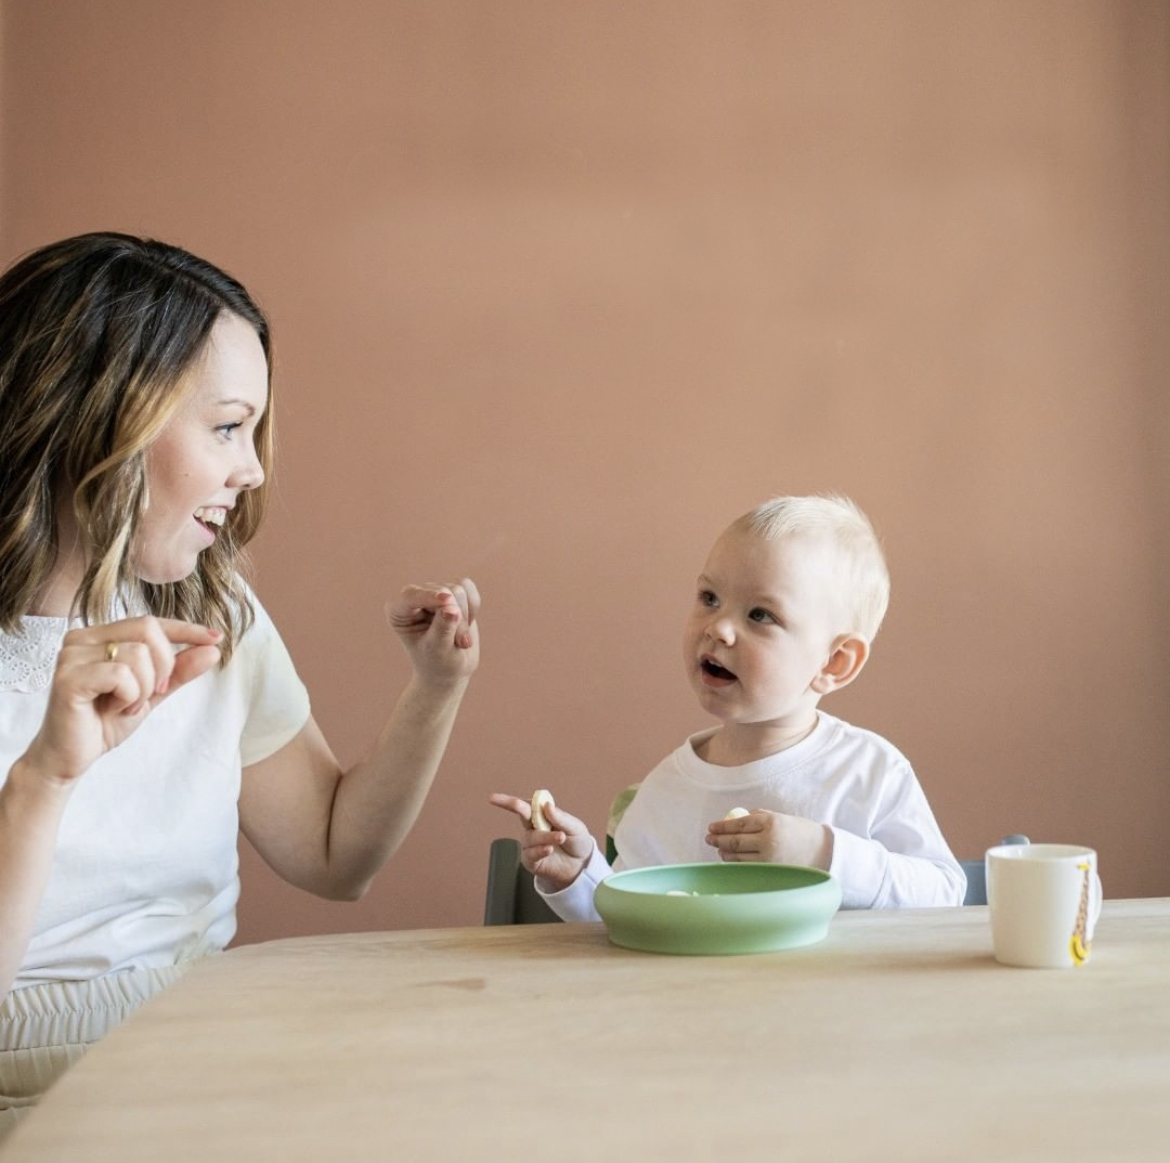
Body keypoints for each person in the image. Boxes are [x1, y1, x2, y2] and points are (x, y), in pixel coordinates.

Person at [0, 232, 481, 1133]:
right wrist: (44, 778)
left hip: (207, 1046)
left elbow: (336, 855)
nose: (253, 468)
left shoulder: (213, 616)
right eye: (226, 426)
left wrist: (434, 688)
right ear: (99, 416)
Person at [491, 494, 964, 920]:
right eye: (709, 598)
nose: (718, 628)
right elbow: (630, 922)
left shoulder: (867, 772)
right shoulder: (665, 791)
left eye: (760, 615)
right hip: (697, 1011)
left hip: (837, 1013)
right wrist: (578, 875)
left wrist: (823, 852)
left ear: (835, 662)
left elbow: (945, 894)